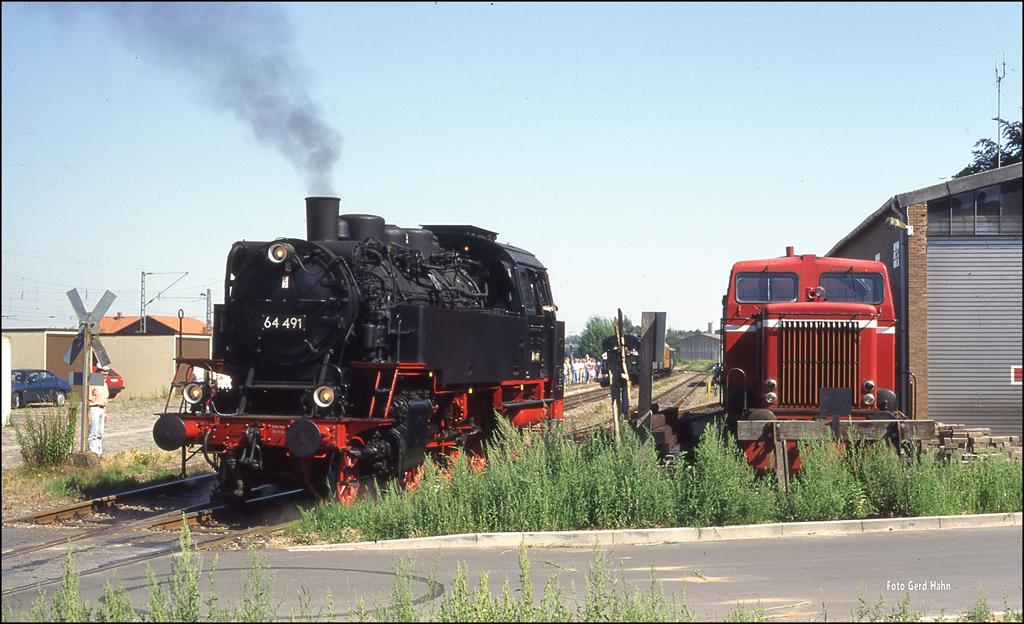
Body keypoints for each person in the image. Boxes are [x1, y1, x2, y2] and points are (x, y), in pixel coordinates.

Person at [87, 366, 110, 457]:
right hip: (94, 407)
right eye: (103, 374)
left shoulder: (105, 384)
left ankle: (99, 452)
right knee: (94, 430)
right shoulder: (94, 381)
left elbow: (105, 398)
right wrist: (88, 411)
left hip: (102, 408)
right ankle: (93, 451)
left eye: (106, 374)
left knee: (100, 431)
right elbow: (88, 396)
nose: (105, 376)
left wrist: (105, 412)